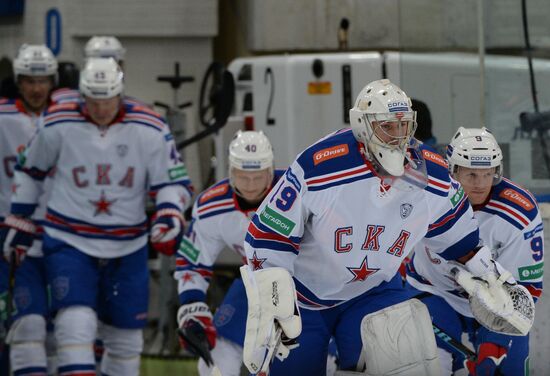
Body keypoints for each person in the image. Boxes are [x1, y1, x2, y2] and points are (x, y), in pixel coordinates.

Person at [239, 79, 527, 375]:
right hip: (302, 299)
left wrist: (489, 275)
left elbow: (460, 241)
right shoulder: (320, 166)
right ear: (362, 126)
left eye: (403, 126)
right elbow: (268, 235)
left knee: (405, 363)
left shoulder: (433, 175)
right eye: (387, 127)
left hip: (373, 291)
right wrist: (273, 299)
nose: (397, 137)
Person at [1, 57, 193, 375]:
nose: (101, 108)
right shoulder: (57, 120)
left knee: (127, 341)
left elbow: (174, 182)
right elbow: (29, 170)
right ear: (82, 95)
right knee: (74, 324)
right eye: (93, 100)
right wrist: (20, 217)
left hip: (127, 245)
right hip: (69, 239)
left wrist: (169, 212)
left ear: (120, 93)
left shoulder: (150, 126)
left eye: (107, 100)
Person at [405, 127, 543, 375]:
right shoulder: (427, 194)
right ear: (452, 171)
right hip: (435, 292)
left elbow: (526, 286)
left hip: (499, 302)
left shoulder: (520, 213)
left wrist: (496, 342)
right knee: (432, 366)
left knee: (507, 368)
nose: (480, 184)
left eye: (487, 174)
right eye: (470, 174)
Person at [175, 130, 286, 375]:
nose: (251, 186)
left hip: (310, 293)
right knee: (214, 358)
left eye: (258, 177)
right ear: (230, 172)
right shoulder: (211, 207)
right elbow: (192, 261)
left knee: (316, 364)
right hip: (256, 287)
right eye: (242, 176)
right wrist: (192, 307)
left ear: (271, 170)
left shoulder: (299, 192)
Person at [0, 44, 58, 376]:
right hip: (11, 232)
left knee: (66, 329)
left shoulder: (68, 117)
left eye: (43, 80)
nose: (37, 88)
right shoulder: (3, 117)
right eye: (29, 80)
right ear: (18, 82)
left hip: (62, 233)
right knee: (24, 325)